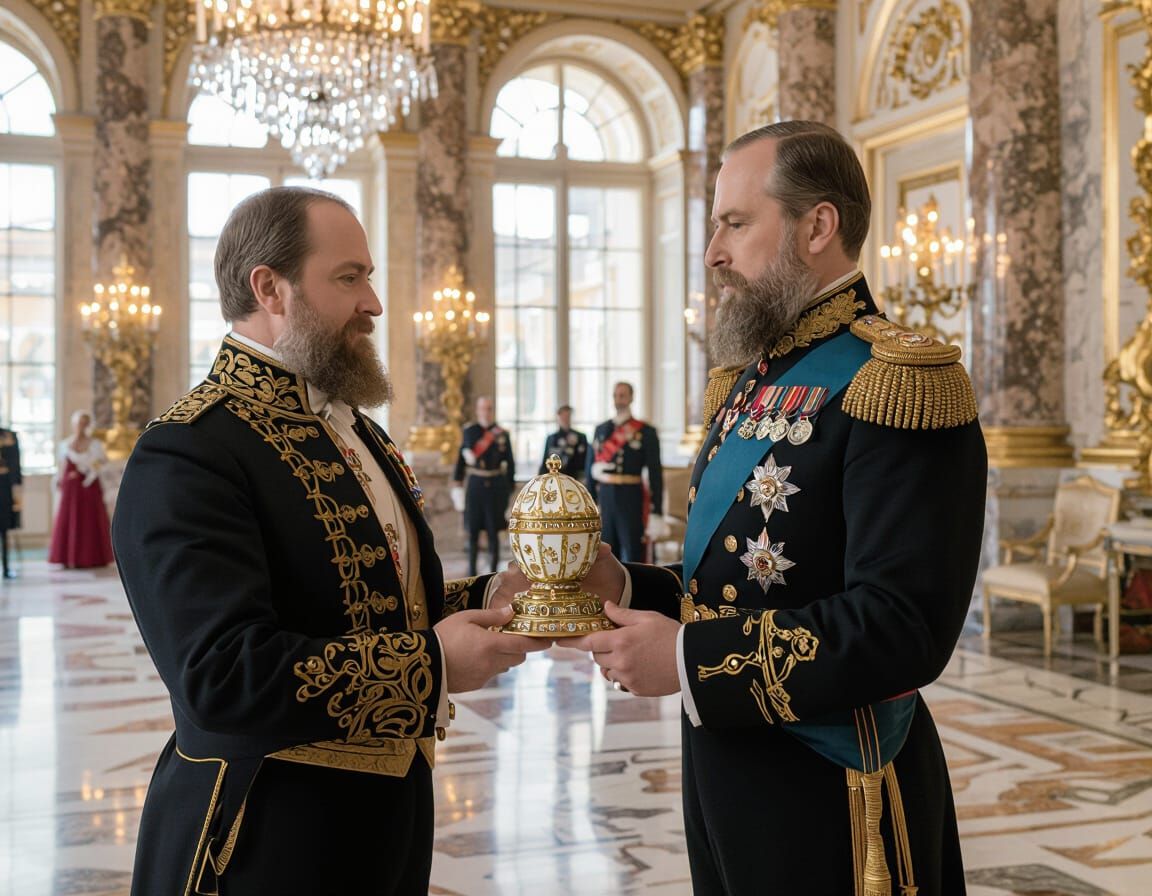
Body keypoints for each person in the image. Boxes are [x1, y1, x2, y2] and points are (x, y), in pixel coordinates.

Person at [559, 122, 988, 894]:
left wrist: (689, 663)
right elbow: (736, 580)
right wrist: (623, 588)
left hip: (831, 788)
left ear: (817, 226)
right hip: (726, 761)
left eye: (734, 222)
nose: (713, 253)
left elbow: (902, 627)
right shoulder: (747, 378)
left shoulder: (896, 383)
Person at [111, 186, 547, 896]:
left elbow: (370, 600)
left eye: (368, 276)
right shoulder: (190, 450)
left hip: (388, 820)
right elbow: (221, 676)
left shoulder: (354, 429)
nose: (373, 303)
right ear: (269, 288)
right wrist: (432, 666)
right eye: (350, 277)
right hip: (267, 834)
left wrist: (492, 596)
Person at [586, 382, 662, 563]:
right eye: (615, 395)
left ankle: (636, 590)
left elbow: (655, 472)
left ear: (631, 398)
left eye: (622, 395)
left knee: (634, 548)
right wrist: (591, 501)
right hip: (606, 496)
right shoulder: (602, 429)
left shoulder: (645, 431)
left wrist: (656, 509)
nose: (618, 399)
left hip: (631, 496)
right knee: (607, 550)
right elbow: (591, 467)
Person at [452, 396, 515, 576]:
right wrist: (457, 484)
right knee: (473, 531)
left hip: (496, 486)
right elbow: (460, 461)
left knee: (493, 530)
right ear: (478, 410)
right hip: (475, 486)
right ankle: (471, 572)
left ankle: (493, 573)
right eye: (482, 408)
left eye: (489, 408)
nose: (485, 412)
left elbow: (510, 463)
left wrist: (510, 490)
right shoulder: (469, 431)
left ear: (492, 410)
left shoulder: (502, 434)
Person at [49, 410, 114, 568]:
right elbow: (61, 467)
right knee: (69, 520)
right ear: (73, 425)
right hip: (70, 490)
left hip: (89, 487)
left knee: (90, 521)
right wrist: (59, 480)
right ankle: (67, 557)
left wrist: (88, 471)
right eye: (79, 423)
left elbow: (102, 464)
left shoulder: (95, 445)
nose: (81, 427)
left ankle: (92, 557)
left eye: (84, 423)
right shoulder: (64, 445)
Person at [539, 404, 588, 480]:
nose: (565, 419)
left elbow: (585, 462)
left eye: (568, 416)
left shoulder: (581, 437)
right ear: (558, 417)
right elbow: (545, 462)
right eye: (563, 416)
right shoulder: (551, 438)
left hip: (574, 478)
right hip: (554, 479)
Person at [0, 419, 21, 578]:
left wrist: (16, 492)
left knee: (4, 527)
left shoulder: (9, 436)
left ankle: (6, 567)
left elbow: (15, 465)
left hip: (4, 487)